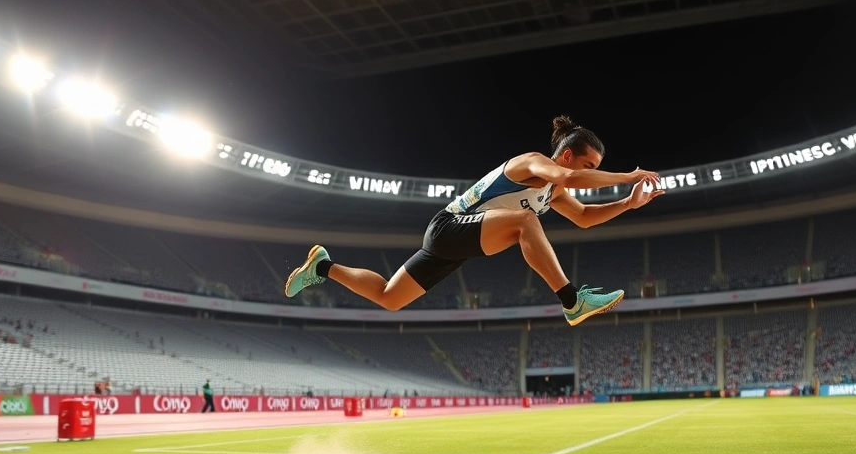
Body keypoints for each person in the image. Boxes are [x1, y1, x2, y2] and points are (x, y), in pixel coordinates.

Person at [285, 116, 665, 326]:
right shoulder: (533, 162)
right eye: (589, 166)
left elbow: (583, 218)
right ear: (565, 156)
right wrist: (627, 175)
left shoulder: (554, 189)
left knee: (389, 298)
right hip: (449, 227)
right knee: (526, 223)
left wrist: (627, 204)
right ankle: (572, 301)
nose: (592, 174)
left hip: (457, 243)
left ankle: (324, 266)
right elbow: (567, 180)